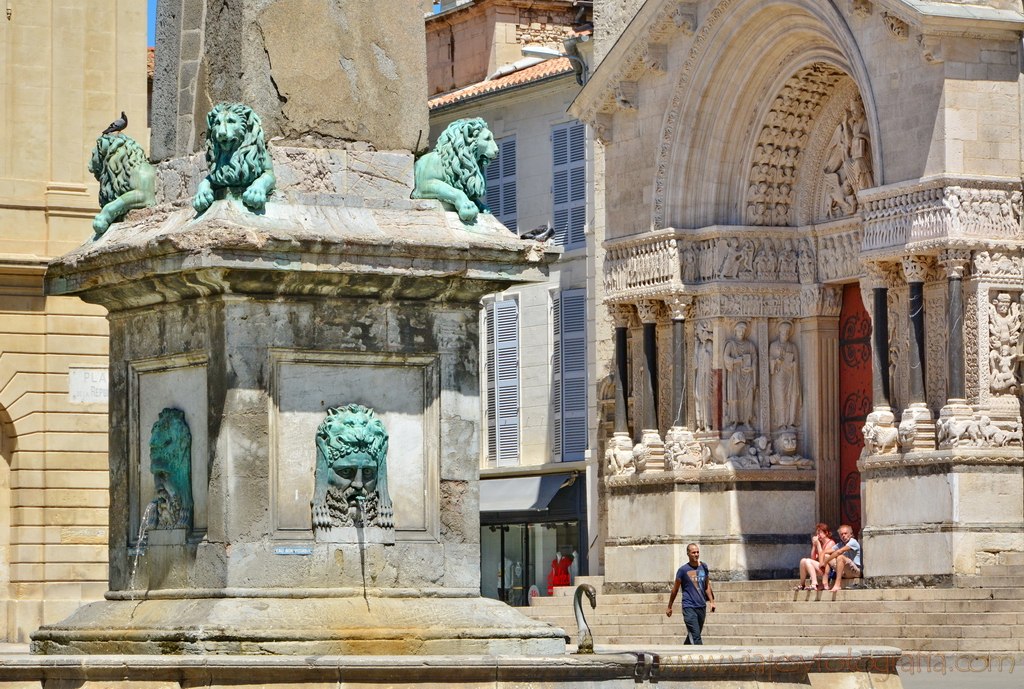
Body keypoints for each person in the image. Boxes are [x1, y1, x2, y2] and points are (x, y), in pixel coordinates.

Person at [665, 543, 715, 644]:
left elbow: (707, 585)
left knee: (693, 634)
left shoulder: (704, 567)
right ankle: (701, 657)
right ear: (688, 554)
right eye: (693, 552)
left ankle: (685, 651)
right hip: (689, 606)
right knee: (696, 637)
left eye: (697, 552)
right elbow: (675, 589)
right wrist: (669, 606)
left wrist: (712, 601)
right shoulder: (683, 570)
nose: (696, 554)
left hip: (701, 606)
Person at [794, 522, 835, 590]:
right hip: (820, 568)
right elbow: (813, 558)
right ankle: (802, 584)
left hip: (827, 570)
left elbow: (822, 557)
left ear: (826, 533)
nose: (818, 535)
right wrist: (814, 545)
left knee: (807, 561)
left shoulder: (831, 543)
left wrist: (818, 544)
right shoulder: (820, 543)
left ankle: (814, 583)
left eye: (820, 533)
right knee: (803, 561)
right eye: (817, 533)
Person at [822, 524, 862, 591]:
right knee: (826, 556)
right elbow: (825, 552)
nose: (843, 536)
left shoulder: (853, 542)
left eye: (845, 533)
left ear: (851, 534)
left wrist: (825, 562)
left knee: (840, 557)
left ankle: (837, 585)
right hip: (845, 571)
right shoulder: (841, 544)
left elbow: (839, 552)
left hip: (855, 571)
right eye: (841, 534)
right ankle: (825, 582)